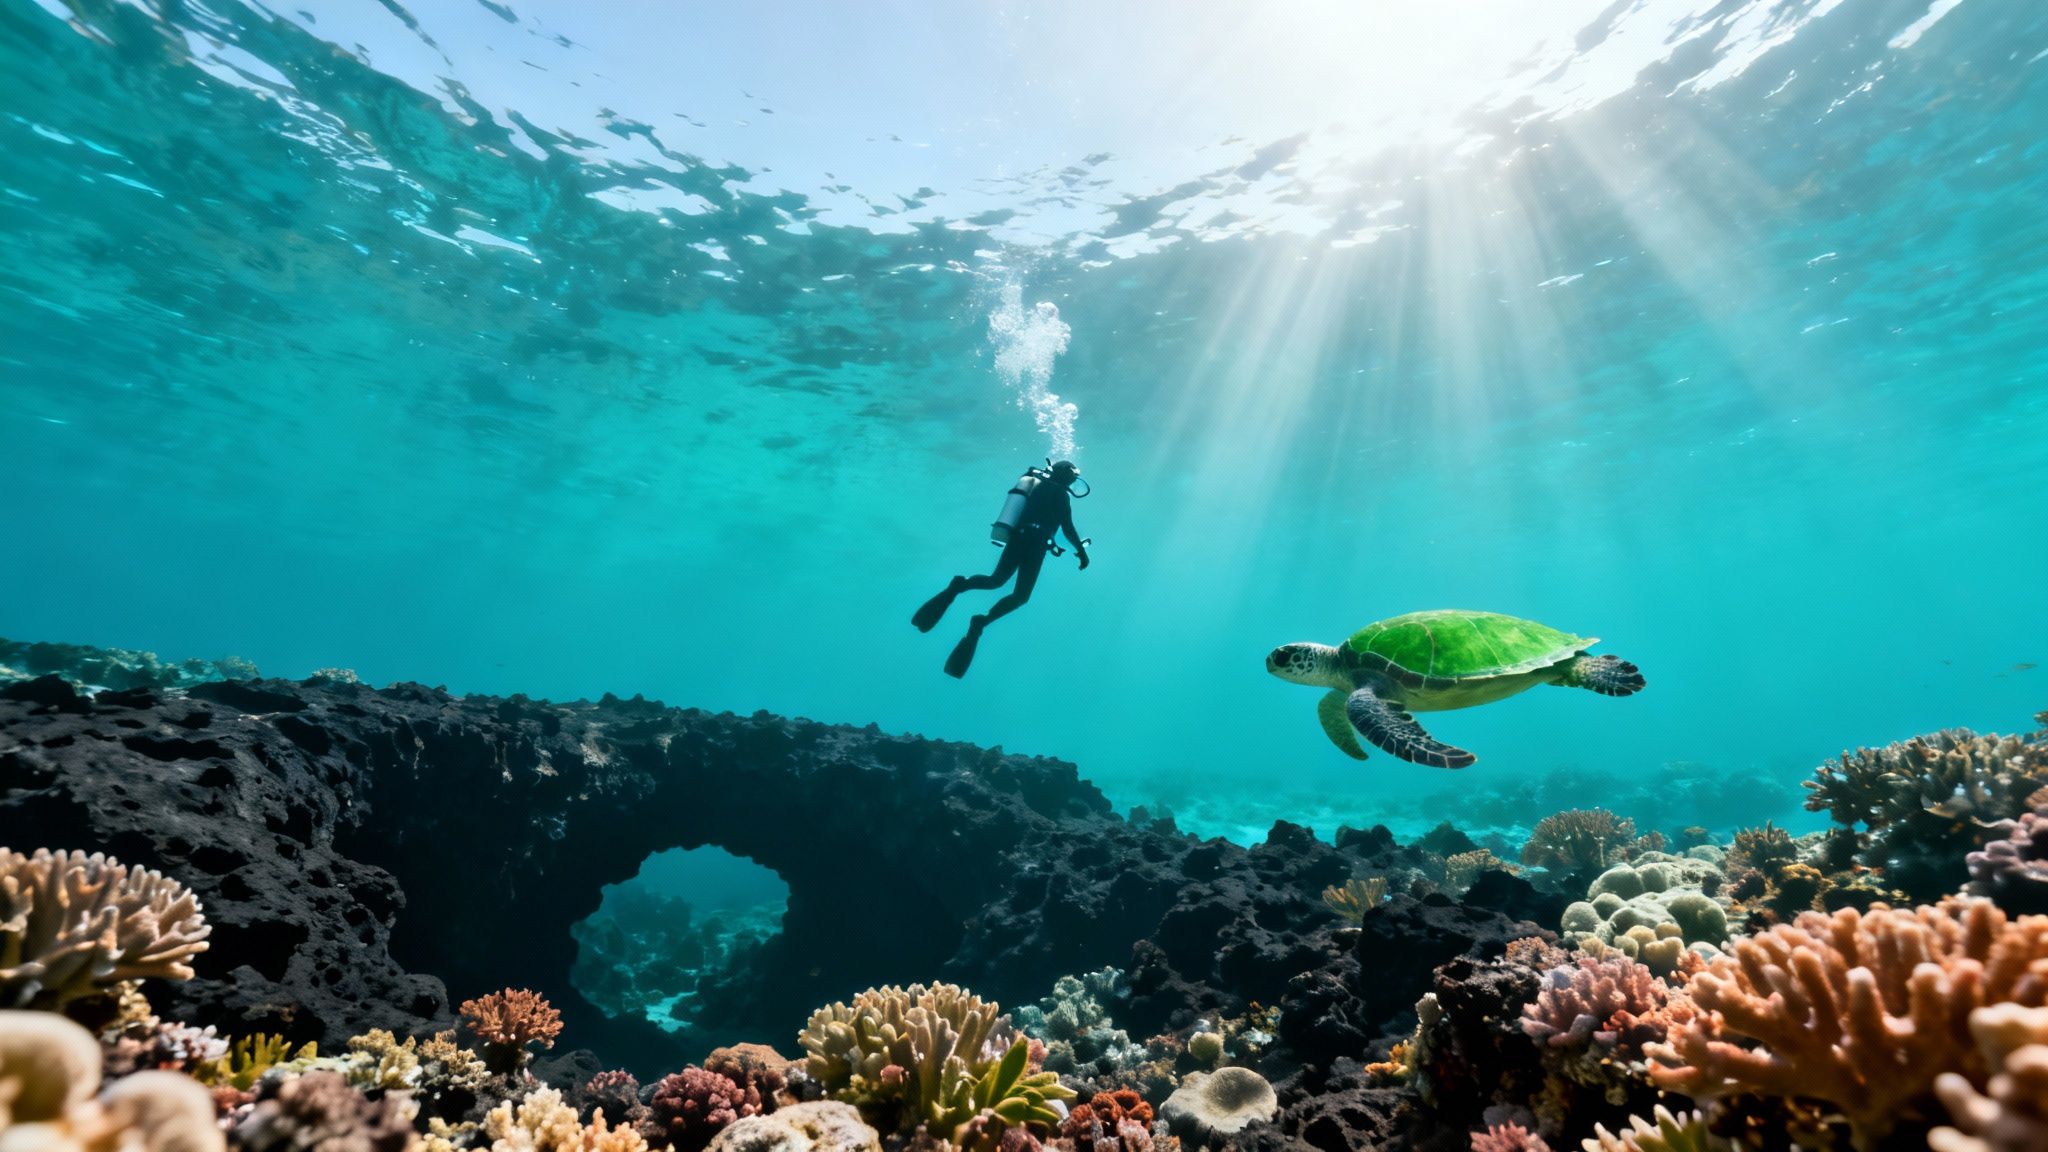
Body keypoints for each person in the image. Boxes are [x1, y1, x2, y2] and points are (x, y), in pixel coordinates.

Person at [914, 460, 1090, 677]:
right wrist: (1082, 553)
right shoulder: (1060, 494)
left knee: (995, 580)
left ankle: (959, 586)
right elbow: (1067, 527)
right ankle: (982, 621)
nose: (1074, 480)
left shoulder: (1039, 487)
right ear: (1065, 474)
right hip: (1035, 545)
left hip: (1019, 538)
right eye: (1073, 475)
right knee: (1021, 596)